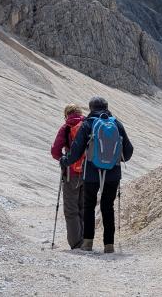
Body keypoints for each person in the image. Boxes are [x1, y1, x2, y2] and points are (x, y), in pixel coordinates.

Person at [60, 96, 133, 253]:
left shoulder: (88, 124)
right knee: (108, 207)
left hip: (91, 172)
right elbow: (128, 152)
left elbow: (77, 150)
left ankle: (87, 243)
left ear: (91, 108)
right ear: (107, 107)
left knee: (89, 206)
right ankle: (109, 245)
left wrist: (65, 161)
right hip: (113, 174)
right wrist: (113, 158)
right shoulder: (116, 124)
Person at [50, 104, 87, 249]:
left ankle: (76, 243)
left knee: (71, 209)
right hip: (88, 173)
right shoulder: (89, 125)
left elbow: (55, 151)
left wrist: (63, 160)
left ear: (67, 114)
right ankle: (86, 240)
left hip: (71, 174)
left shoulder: (66, 127)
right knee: (84, 208)